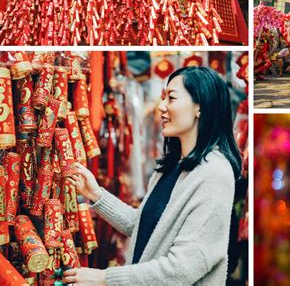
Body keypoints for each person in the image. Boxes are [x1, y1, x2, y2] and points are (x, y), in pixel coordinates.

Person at [63, 66, 242, 286]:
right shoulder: (170, 167)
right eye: (163, 97)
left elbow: (184, 267)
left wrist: (105, 278)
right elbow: (144, 227)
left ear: (200, 107)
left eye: (171, 98)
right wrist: (96, 194)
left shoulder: (214, 173)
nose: (162, 107)